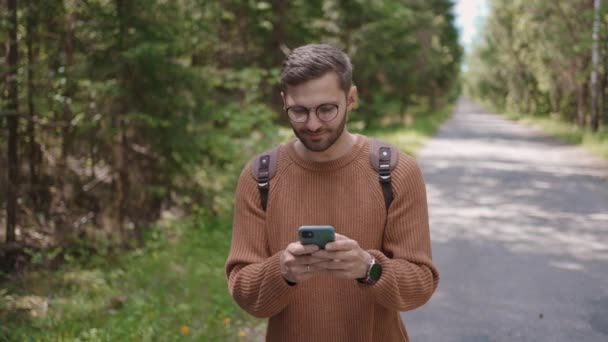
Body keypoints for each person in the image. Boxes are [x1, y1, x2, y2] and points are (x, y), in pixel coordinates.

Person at [224, 43, 438, 342]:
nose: (312, 124)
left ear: (351, 99)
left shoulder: (397, 171)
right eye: (298, 111)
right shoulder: (260, 177)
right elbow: (244, 292)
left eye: (326, 109)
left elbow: (420, 286)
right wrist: (282, 272)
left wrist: (369, 268)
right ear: (284, 101)